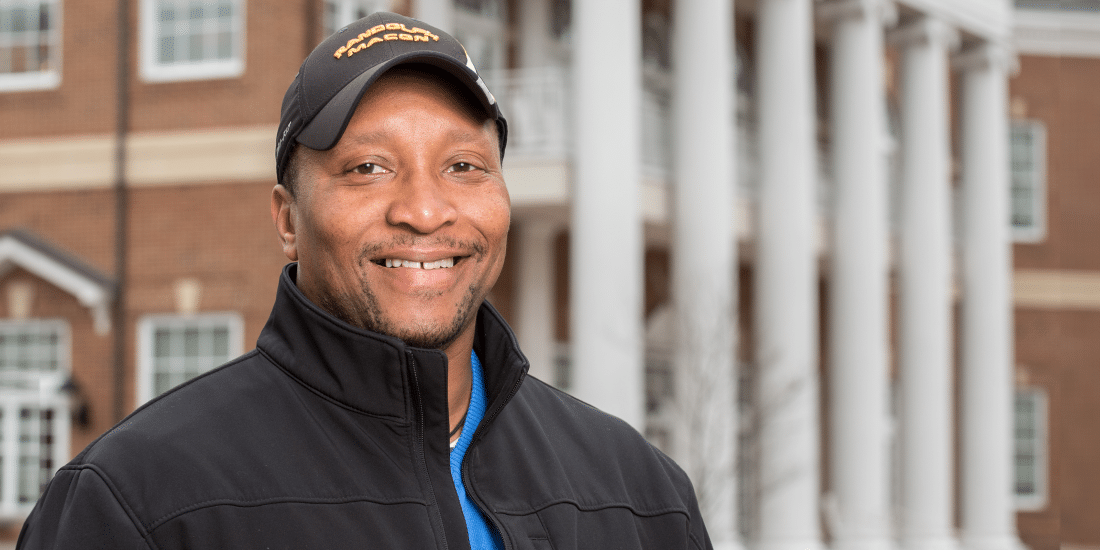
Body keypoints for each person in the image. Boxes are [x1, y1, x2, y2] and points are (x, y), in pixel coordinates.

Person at [17, 12, 712, 550]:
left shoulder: (637, 494)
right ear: (288, 219)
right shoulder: (139, 501)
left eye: (464, 166)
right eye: (367, 168)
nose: (423, 210)